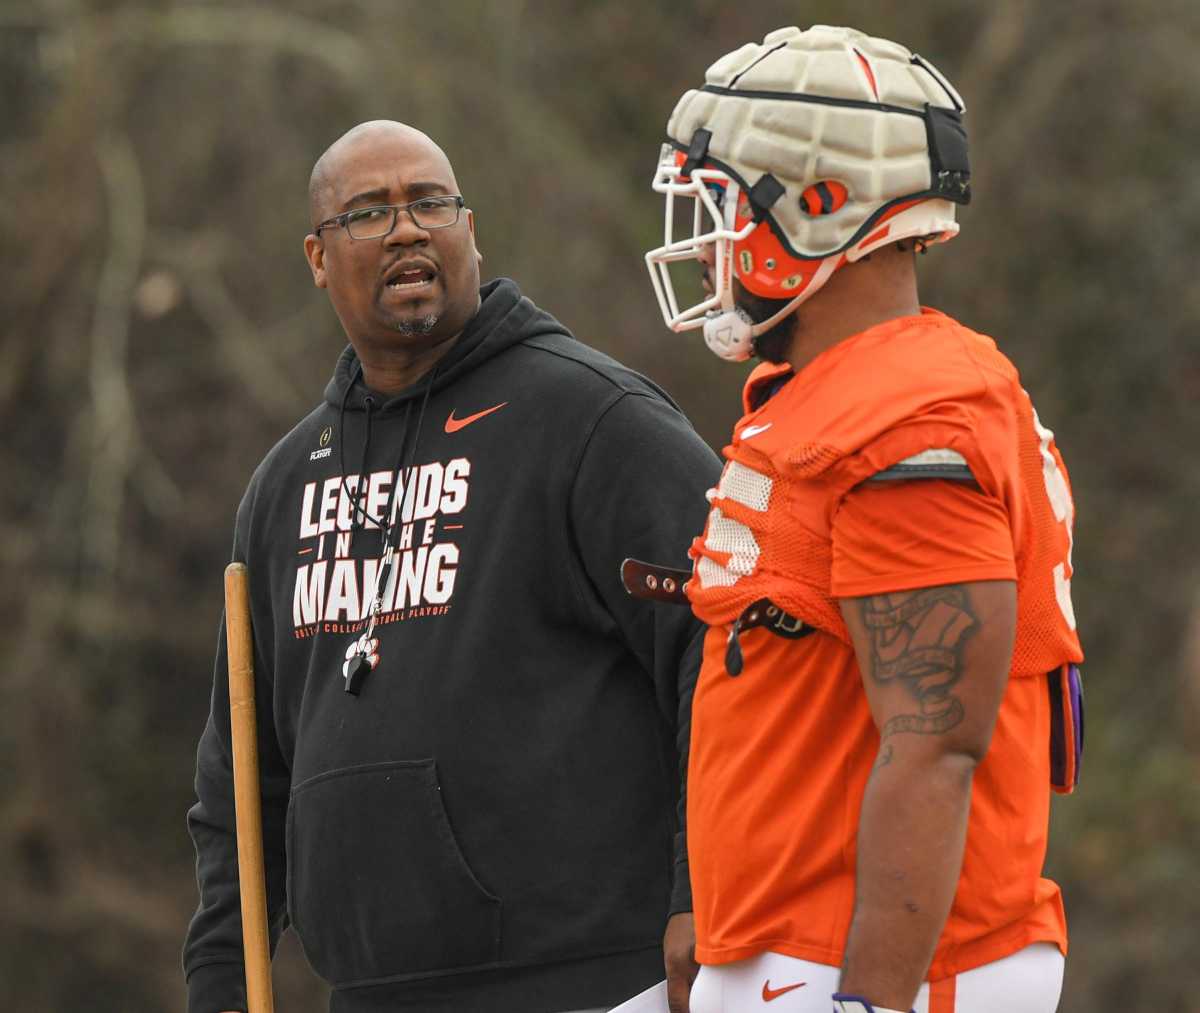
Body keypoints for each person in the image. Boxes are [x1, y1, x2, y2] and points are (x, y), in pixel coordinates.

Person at [183, 120, 720, 1013]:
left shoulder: (593, 421)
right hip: (366, 990)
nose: (406, 228)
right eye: (369, 212)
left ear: (470, 230)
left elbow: (726, 653)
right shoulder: (282, 487)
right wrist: (220, 979)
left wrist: (709, 889)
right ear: (318, 257)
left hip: (595, 981)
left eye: (431, 202)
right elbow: (240, 772)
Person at [640, 26, 1085, 1013]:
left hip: (878, 962)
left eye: (722, 205)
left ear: (821, 208)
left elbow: (936, 743)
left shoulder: (911, 418)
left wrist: (871, 999)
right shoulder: (832, 391)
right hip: (794, 945)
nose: (706, 240)